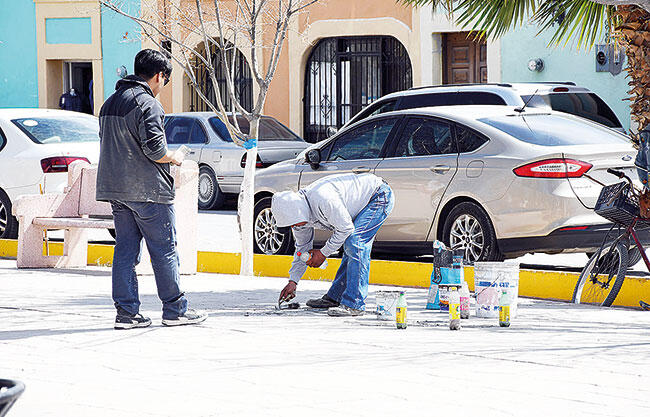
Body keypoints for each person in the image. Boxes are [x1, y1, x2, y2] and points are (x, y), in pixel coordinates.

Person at [96, 49, 207, 329]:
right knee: (165, 250)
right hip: (149, 191)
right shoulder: (148, 104)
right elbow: (156, 150)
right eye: (165, 81)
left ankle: (126, 314)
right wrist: (176, 156)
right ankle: (175, 310)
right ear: (159, 76)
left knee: (124, 253)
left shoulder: (109, 103)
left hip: (116, 190)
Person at [272, 173, 394, 316]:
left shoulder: (323, 199)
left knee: (355, 243)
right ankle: (335, 297)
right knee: (351, 244)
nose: (294, 227)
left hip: (378, 196)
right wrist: (293, 281)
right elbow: (301, 249)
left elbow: (346, 229)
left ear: (299, 212)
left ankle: (354, 304)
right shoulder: (300, 219)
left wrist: (323, 253)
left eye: (293, 223)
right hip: (362, 203)